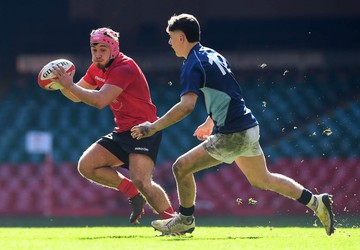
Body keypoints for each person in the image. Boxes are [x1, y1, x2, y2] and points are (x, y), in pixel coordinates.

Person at [131, 14, 335, 235]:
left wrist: (152, 127)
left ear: (181, 38)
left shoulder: (192, 64)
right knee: (262, 179)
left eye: (171, 38)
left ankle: (185, 220)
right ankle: (315, 202)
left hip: (233, 132)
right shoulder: (213, 55)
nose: (169, 43)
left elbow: (186, 106)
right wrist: (211, 120)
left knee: (181, 167)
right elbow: (228, 92)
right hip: (247, 127)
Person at [52, 27, 175, 224]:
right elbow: (76, 96)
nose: (98, 54)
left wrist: (70, 85)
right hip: (123, 131)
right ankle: (133, 193)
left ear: (113, 50)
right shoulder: (96, 69)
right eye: (94, 50)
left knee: (142, 180)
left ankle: (174, 221)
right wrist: (59, 84)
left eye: (102, 49)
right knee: (87, 166)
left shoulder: (123, 67)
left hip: (143, 130)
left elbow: (100, 100)